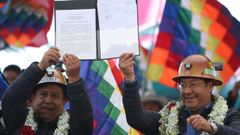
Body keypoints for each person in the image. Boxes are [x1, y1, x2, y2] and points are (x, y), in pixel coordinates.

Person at [119, 53, 240, 135]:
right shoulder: (168, 118)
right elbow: (137, 118)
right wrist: (129, 78)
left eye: (193, 84)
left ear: (210, 86)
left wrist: (212, 128)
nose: (186, 91)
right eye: (182, 84)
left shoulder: (230, 116)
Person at [2, 47, 93, 135]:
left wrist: (74, 78)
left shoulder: (73, 128)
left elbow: (83, 119)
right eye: (43, 94)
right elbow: (11, 100)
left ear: (65, 100)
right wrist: (40, 67)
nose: (48, 101)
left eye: (55, 95)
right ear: (32, 98)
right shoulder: (19, 121)